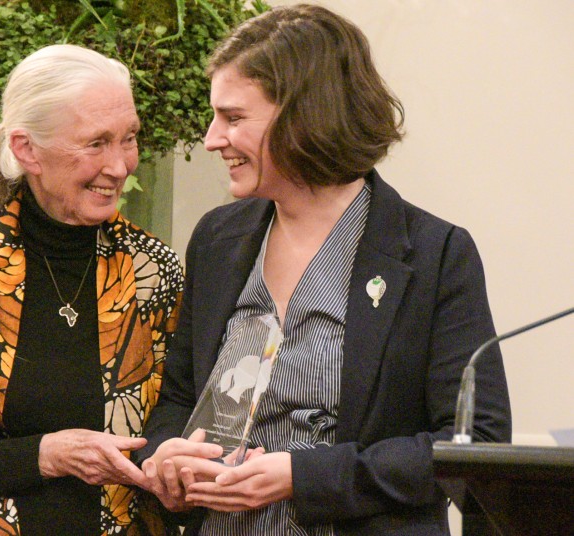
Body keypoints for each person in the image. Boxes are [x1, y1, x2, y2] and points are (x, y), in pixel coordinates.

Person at [135, 4, 511, 535]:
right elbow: (178, 398)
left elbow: (475, 444)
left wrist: (305, 476)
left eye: (234, 117)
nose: (211, 138)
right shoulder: (217, 239)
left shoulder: (434, 253)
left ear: (305, 116)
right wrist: (166, 458)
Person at [0, 44, 184, 535]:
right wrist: (46, 455)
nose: (121, 165)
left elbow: (180, 429)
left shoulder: (154, 271)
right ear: (27, 150)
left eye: (129, 138)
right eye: (95, 143)